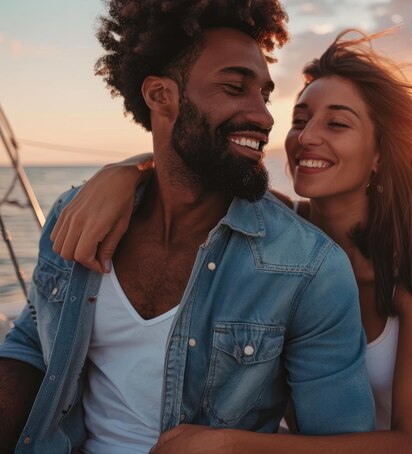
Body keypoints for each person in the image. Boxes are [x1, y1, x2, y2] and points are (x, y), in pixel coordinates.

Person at [50, 30, 412, 453]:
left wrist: (230, 445)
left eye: (336, 123)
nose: (307, 137)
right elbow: (192, 164)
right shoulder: (277, 229)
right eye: (300, 120)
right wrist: (125, 174)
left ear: (380, 153)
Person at [0, 3, 378, 453]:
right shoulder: (78, 215)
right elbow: (31, 343)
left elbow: (341, 442)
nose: (264, 116)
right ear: (161, 96)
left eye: (264, 93)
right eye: (235, 87)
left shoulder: (308, 267)